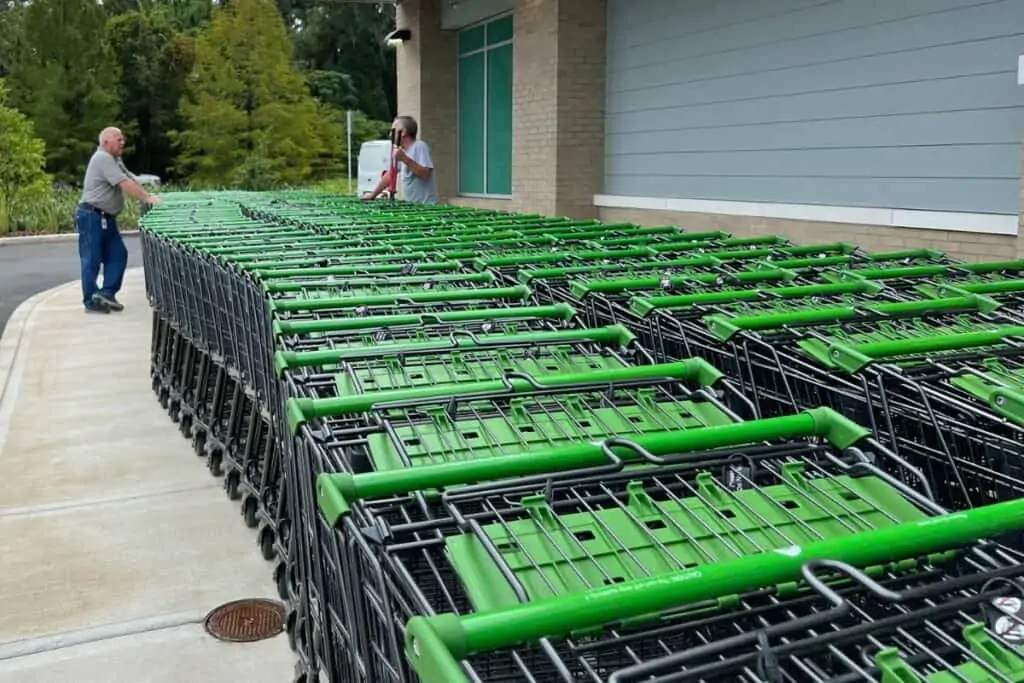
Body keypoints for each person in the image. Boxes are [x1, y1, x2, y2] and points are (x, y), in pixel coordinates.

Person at [76, 127, 162, 314]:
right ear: (105, 142)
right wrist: (146, 199)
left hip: (106, 217)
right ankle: (91, 300)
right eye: (118, 139)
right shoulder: (103, 158)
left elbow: (129, 178)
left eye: (123, 139)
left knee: (118, 255)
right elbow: (123, 183)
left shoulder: (115, 159)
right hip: (92, 215)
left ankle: (106, 294)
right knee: (91, 258)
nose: (122, 142)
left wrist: (149, 194)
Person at [362, 115, 439, 204]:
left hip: (426, 206)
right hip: (413, 205)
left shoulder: (419, 146)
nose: (391, 134)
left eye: (393, 130)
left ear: (403, 132)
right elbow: (390, 175)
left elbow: (426, 175)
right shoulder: (402, 151)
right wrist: (373, 195)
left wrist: (404, 159)